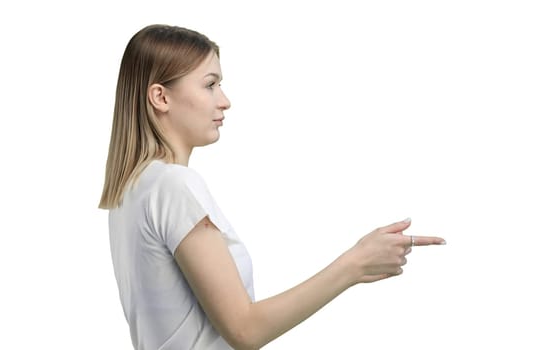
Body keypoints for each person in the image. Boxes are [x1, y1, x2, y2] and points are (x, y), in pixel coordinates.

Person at [99, 24, 446, 350]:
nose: (224, 100)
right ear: (160, 97)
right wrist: (355, 264)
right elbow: (244, 329)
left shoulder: (131, 191)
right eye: (210, 84)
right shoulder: (174, 185)